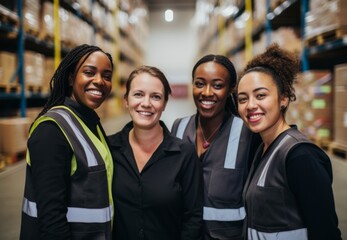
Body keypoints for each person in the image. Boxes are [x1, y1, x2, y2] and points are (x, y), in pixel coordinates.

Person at [237, 43, 342, 240]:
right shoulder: (261, 148)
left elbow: (326, 231)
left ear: (284, 98)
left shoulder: (300, 156)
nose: (250, 105)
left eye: (261, 95)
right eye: (243, 99)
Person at [20, 44, 114, 240]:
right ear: (71, 78)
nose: (99, 81)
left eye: (107, 76)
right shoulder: (51, 130)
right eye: (89, 72)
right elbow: (52, 219)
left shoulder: (90, 121)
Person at [171, 55, 261, 239]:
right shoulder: (178, 128)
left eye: (218, 85)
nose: (207, 92)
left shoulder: (247, 133)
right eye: (200, 83)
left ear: (230, 90)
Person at [108, 65, 203, 240]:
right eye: (138, 94)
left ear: (165, 103)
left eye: (155, 97)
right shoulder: (108, 149)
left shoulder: (184, 154)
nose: (146, 103)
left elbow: (193, 217)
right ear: (126, 100)